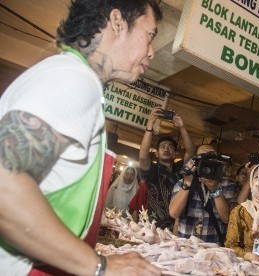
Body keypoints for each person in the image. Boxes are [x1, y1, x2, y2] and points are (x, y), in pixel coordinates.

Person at [0, 0, 163, 275]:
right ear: (117, 21)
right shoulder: (74, 79)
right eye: (149, 36)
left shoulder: (65, 73)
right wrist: (100, 266)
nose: (152, 52)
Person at [129, 107, 195, 230]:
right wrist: (150, 126)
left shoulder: (181, 169)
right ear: (157, 153)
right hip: (154, 227)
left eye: (170, 147)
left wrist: (181, 127)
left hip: (178, 225)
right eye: (162, 147)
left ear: (175, 153)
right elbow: (143, 156)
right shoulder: (151, 170)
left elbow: (191, 152)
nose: (166, 149)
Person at [169, 144, 237, 245]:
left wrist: (215, 189)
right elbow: (174, 213)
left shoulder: (228, 185)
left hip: (213, 249)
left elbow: (227, 219)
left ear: (217, 161)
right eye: (204, 157)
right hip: (186, 247)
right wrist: (187, 184)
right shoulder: (183, 182)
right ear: (195, 161)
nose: (208, 162)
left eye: (211, 158)